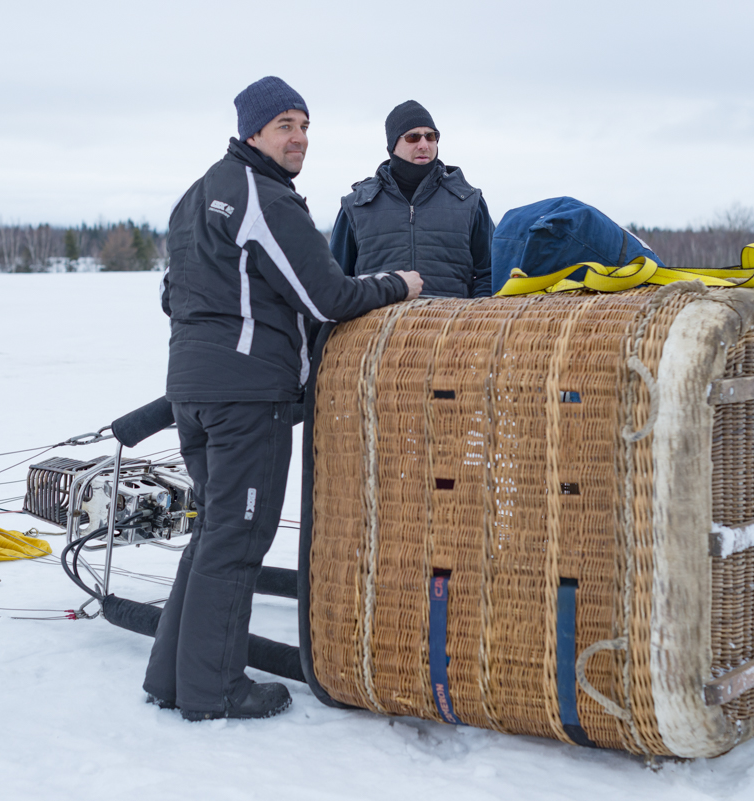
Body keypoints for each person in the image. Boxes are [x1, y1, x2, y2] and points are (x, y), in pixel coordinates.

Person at [143, 76, 423, 722]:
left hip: (192, 390)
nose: (298, 139)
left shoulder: (198, 194)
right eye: (284, 127)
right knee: (237, 539)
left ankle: (171, 676)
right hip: (247, 398)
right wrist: (398, 284)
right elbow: (329, 296)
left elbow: (171, 294)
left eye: (304, 126)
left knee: (214, 531)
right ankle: (214, 689)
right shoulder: (264, 197)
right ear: (253, 133)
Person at [330, 100, 494, 298]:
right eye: (413, 137)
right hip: (377, 318)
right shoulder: (357, 205)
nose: (424, 145)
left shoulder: (469, 201)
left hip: (455, 318)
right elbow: (335, 282)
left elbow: (490, 275)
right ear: (392, 145)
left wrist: (473, 314)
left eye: (431, 136)